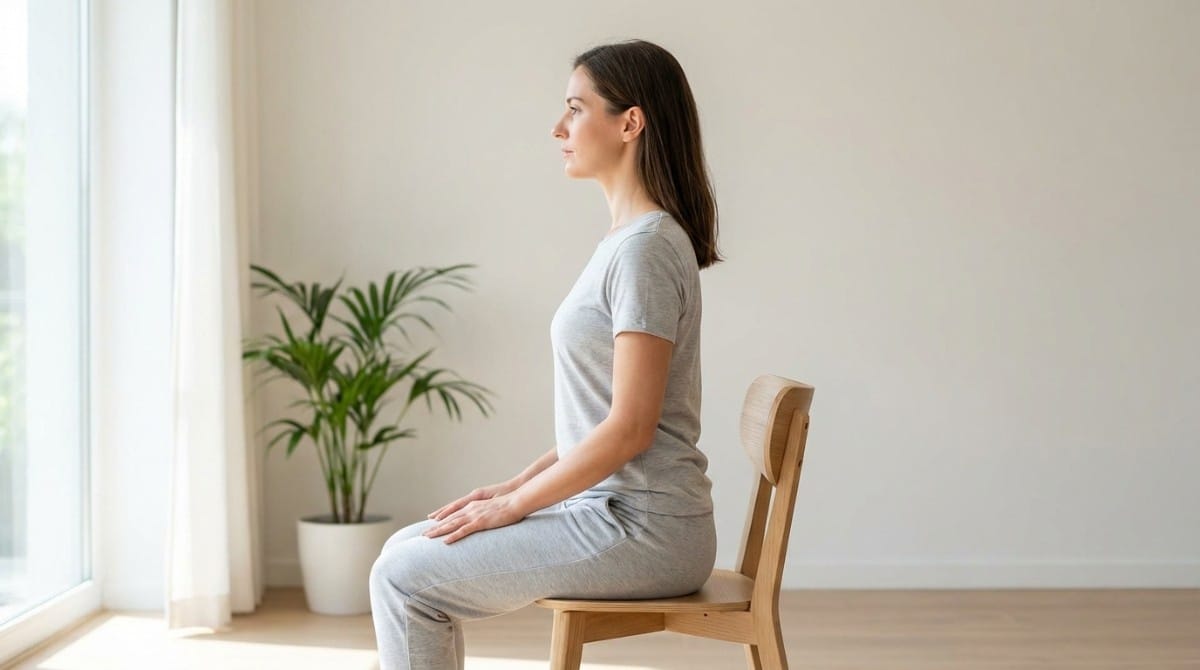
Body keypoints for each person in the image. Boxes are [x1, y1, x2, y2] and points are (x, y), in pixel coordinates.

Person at [368, 38, 724, 670]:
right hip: (619, 514)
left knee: (404, 576)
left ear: (629, 122)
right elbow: (607, 420)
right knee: (405, 550)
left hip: (642, 529)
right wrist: (511, 485)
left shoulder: (644, 250)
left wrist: (512, 507)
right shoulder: (628, 242)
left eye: (575, 109)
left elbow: (630, 430)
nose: (558, 128)